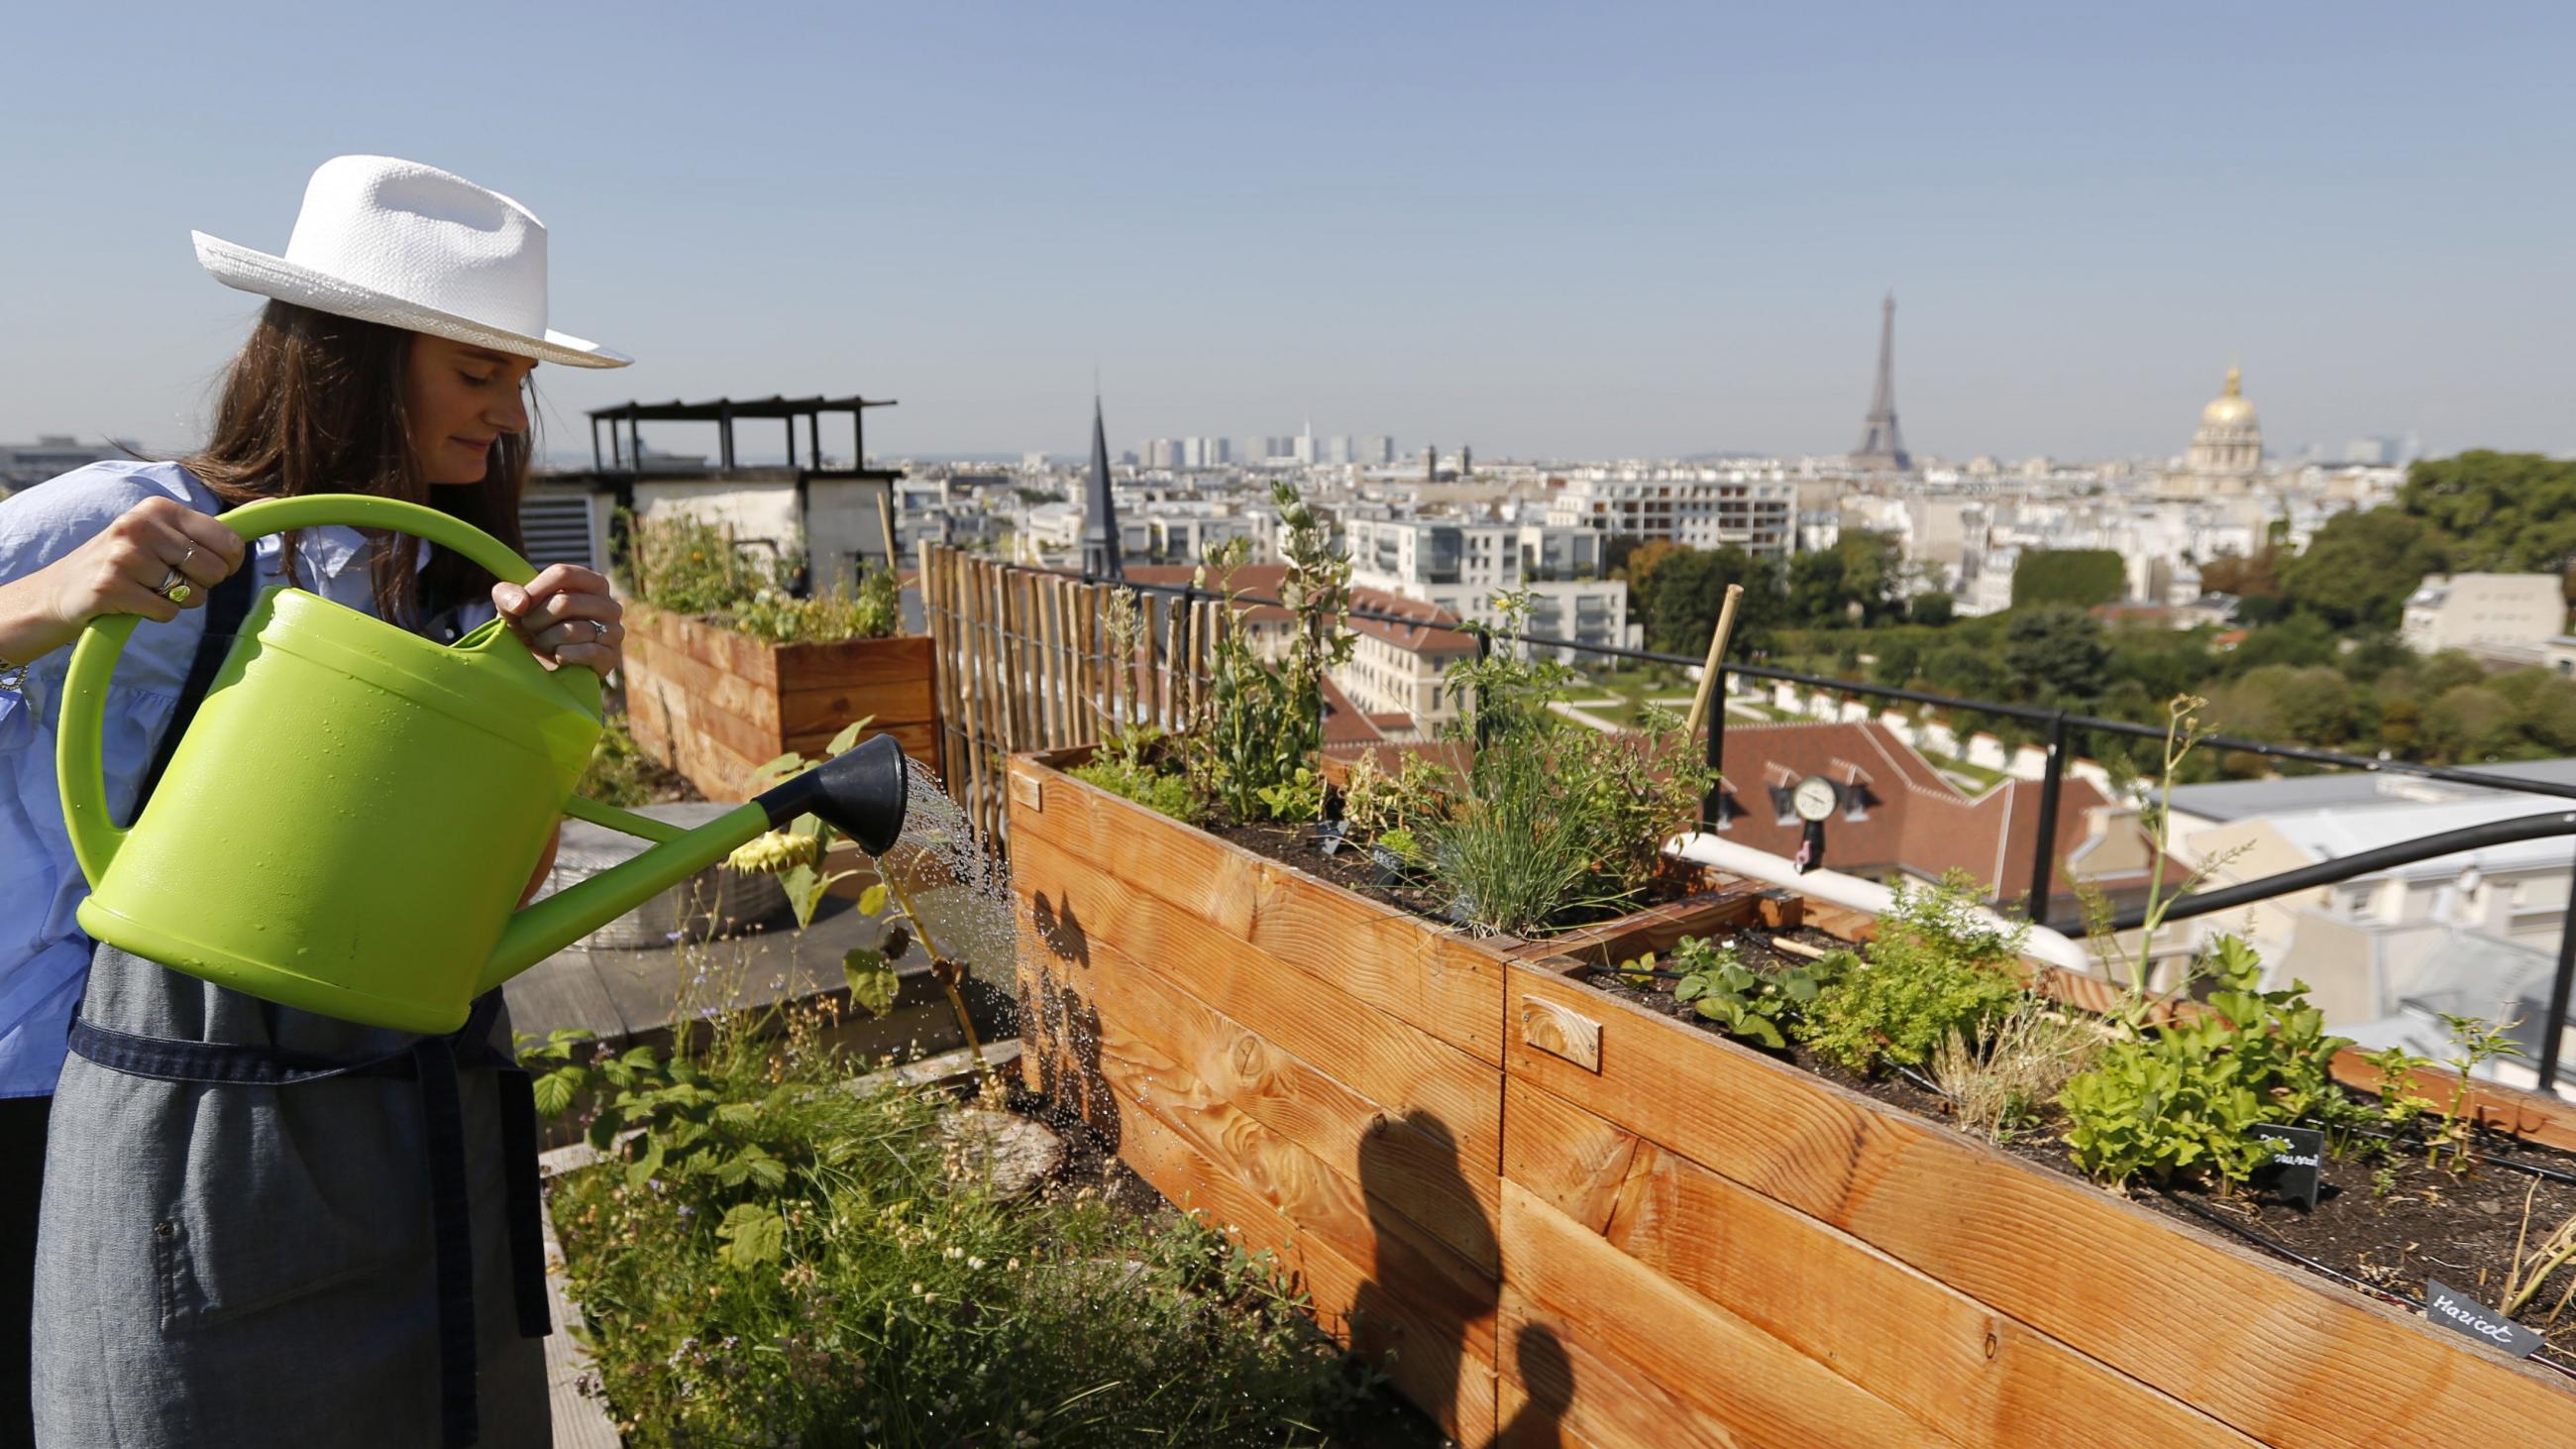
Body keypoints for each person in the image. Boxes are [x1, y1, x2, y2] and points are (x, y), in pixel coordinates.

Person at [0, 155, 630, 1449]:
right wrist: (58, 601)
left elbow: (484, 904)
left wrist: (530, 704)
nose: (510, 417)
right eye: (477, 372)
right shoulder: (136, 520)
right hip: (61, 1097)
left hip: (321, 1114)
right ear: (352, 355)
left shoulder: (450, 595)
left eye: (519, 380)